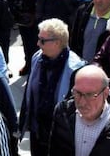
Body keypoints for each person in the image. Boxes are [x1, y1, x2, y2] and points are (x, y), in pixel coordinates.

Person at [19, 18, 86, 156]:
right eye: (38, 39)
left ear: (57, 42)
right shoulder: (37, 58)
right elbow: (29, 95)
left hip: (60, 138)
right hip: (37, 132)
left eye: (42, 40)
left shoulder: (76, 69)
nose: (38, 44)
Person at [49, 65, 110, 156]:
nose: (82, 102)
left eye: (90, 95)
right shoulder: (62, 113)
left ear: (105, 93)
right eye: (77, 93)